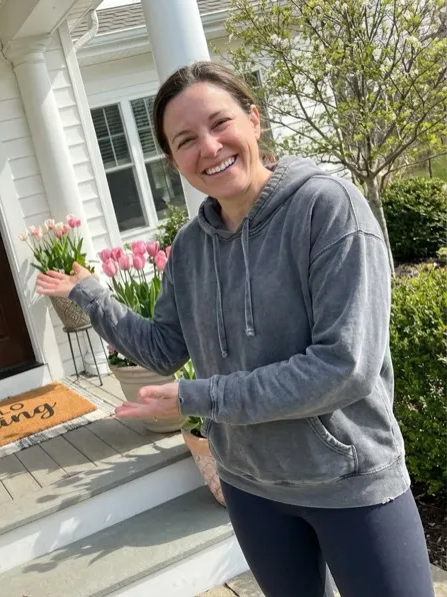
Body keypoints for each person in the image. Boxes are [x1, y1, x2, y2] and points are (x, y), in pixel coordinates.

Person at [35, 62, 434, 597]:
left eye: (220, 123)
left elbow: (345, 368)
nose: (210, 146)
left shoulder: (327, 209)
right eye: (185, 140)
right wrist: (91, 295)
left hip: (349, 482)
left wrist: (197, 397)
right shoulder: (192, 248)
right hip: (251, 488)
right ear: (172, 159)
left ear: (254, 120)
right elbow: (163, 349)